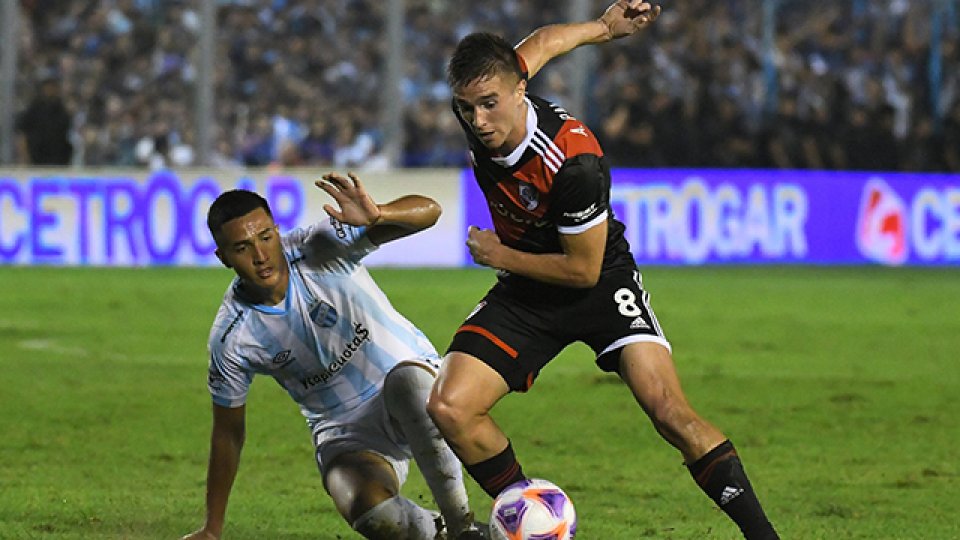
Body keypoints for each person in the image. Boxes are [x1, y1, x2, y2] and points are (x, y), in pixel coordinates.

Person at [425, 1, 780, 538]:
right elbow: (545, 41)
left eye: (489, 105)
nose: (478, 121)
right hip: (528, 291)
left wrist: (500, 256)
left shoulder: (575, 162)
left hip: (597, 281)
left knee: (669, 413)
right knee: (450, 405)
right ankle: (531, 517)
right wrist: (603, 28)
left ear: (519, 91)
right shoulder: (486, 99)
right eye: (467, 107)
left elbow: (582, 272)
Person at [182, 173, 485, 540]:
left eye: (265, 237)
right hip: (345, 432)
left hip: (416, 385)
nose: (261, 256)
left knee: (406, 383)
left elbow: (430, 212)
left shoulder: (319, 247)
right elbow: (228, 434)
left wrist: (380, 215)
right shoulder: (233, 336)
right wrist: (212, 529)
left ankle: (462, 524)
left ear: (277, 230)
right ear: (223, 257)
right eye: (243, 248)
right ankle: (441, 532)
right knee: (375, 516)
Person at [15, 75, 74, 166]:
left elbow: (67, 134)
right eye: (47, 87)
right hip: (36, 157)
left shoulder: (62, 110)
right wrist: (24, 156)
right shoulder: (34, 109)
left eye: (52, 87)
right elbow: (23, 133)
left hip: (58, 158)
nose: (50, 90)